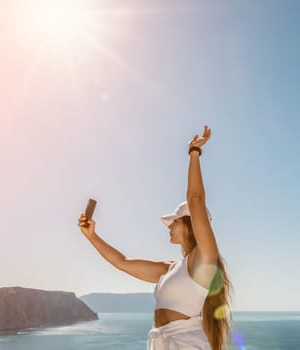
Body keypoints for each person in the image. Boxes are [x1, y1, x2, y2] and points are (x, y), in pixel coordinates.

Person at [78, 125, 233, 350]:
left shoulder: (204, 259)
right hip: (161, 342)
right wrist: (92, 236)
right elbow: (121, 263)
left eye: (174, 221)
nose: (169, 226)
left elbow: (195, 198)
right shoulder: (169, 268)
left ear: (190, 225)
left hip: (185, 343)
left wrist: (194, 153)